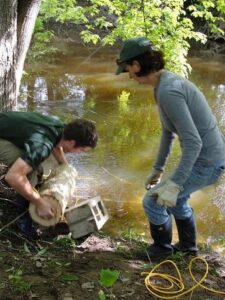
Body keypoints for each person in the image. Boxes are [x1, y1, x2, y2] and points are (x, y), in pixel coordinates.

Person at [116, 37, 225, 259]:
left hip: (208, 162)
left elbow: (194, 142)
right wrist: (158, 170)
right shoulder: (163, 85)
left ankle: (161, 250)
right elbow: (168, 131)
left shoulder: (169, 91)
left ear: (137, 65)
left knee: (153, 202)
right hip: (209, 159)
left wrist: (174, 185)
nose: (128, 74)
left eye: (127, 68)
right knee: (177, 200)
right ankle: (187, 248)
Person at [0, 111, 98, 239]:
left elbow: (57, 146)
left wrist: (66, 169)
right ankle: (23, 220)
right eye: (82, 150)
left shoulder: (60, 128)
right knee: (32, 169)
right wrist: (39, 203)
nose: (79, 153)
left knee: (39, 163)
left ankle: (30, 194)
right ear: (73, 143)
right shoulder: (43, 144)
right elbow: (13, 176)